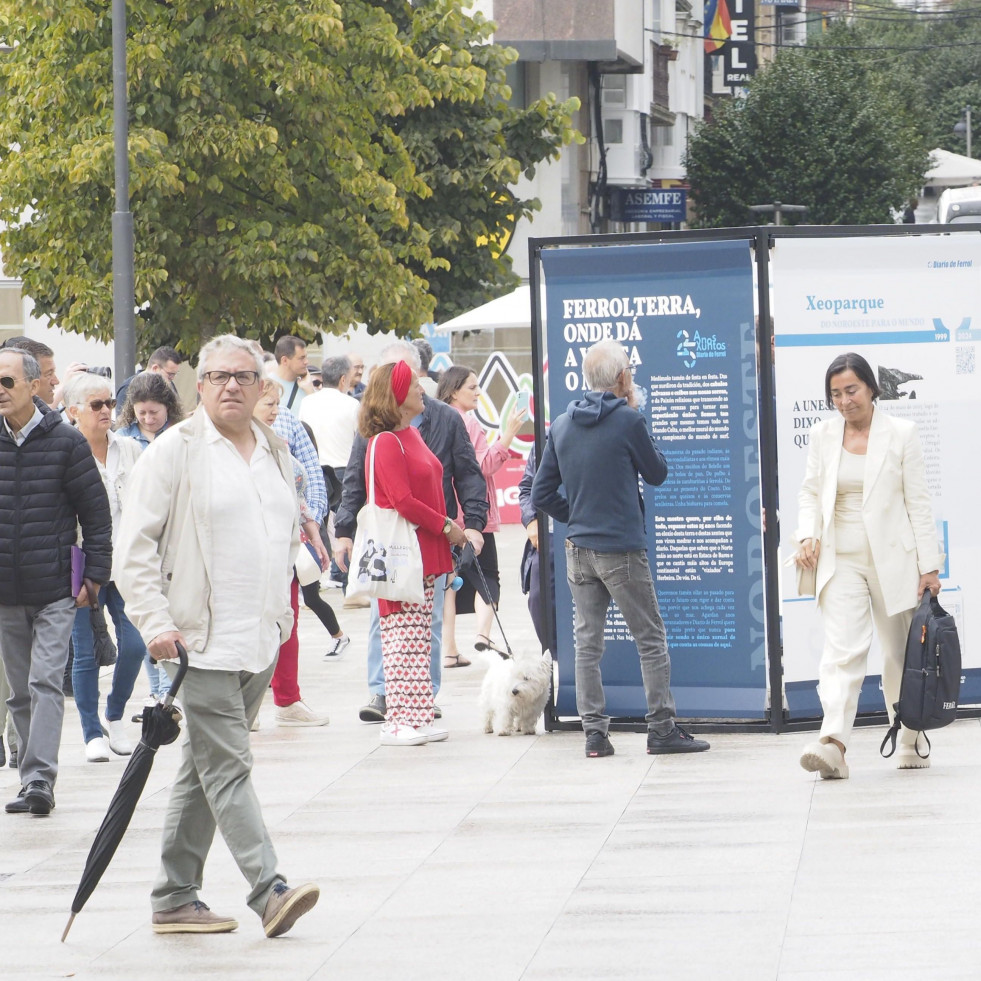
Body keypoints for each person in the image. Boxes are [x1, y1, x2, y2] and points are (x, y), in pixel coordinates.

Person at [115, 334, 320, 936]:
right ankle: (270, 889)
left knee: (201, 771)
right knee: (228, 766)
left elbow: (285, 533)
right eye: (217, 376)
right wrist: (154, 622)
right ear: (197, 386)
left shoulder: (276, 449)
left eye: (243, 375)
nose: (232, 385)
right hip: (196, 644)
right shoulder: (174, 453)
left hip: (260, 638)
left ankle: (174, 895)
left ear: (262, 385)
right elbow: (134, 547)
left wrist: (286, 612)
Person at [532, 340, 710, 760]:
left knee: (587, 644)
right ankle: (661, 729)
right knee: (650, 638)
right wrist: (636, 416)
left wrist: (573, 514)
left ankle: (595, 735)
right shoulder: (629, 421)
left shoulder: (560, 425)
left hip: (578, 549)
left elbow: (540, 493)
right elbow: (658, 473)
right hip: (622, 550)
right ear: (623, 378)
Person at [794, 352, 943, 780]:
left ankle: (911, 735)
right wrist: (808, 534)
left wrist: (929, 567)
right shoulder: (823, 434)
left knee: (899, 652)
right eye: (835, 394)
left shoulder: (901, 433)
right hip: (840, 558)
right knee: (842, 649)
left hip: (894, 560)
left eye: (851, 390)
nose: (843, 401)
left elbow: (918, 501)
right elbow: (809, 493)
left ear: (872, 389)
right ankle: (834, 744)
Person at [334, 341, 488, 724]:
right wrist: (344, 527)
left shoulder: (442, 421)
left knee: (426, 623)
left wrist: (474, 523)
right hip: (398, 544)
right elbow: (360, 479)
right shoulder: (379, 434)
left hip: (431, 544)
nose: (419, 388)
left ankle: (421, 697)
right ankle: (386, 694)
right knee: (389, 621)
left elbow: (468, 473)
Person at [0, 347, 112, 815]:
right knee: (19, 690)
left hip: (54, 590)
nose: (0, 391)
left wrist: (96, 577)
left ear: (32, 385)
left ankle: (40, 779)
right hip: (5, 592)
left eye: (7, 382)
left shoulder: (66, 442)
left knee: (46, 680)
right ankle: (31, 776)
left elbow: (97, 516)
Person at [358, 360, 467, 744]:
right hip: (405, 553)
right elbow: (402, 500)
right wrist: (447, 526)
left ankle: (417, 715)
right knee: (402, 638)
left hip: (426, 553)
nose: (423, 389)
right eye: (415, 386)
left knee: (421, 637)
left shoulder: (411, 435)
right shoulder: (386, 441)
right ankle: (398, 720)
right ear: (397, 395)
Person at [63, 373, 147, 762]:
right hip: (83, 562)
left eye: (110, 403)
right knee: (85, 653)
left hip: (126, 561)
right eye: (96, 405)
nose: (106, 411)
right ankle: (90, 732)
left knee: (136, 644)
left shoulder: (129, 450)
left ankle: (115, 714)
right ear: (73, 411)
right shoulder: (65, 449)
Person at [253, 378, 332, 726]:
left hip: (284, 549)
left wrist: (313, 532)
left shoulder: (278, 443)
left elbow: (296, 493)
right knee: (251, 626)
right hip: (248, 551)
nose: (275, 411)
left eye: (276, 404)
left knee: (287, 623)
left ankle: (287, 699)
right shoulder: (228, 446)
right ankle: (247, 704)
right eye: (268, 403)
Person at [437, 365, 526, 666]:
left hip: (447, 513)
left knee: (449, 582)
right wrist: (508, 437)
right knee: (488, 576)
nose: (478, 392)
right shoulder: (467, 423)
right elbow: (481, 467)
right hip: (474, 515)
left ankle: (448, 650)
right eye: (472, 388)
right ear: (453, 391)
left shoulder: (436, 420)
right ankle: (483, 635)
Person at [115, 371, 185, 709]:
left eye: (154, 412)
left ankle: (172, 684)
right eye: (141, 413)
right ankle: (157, 689)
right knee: (147, 613)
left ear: (167, 407)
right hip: (141, 531)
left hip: (176, 535)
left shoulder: (181, 437)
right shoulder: (124, 440)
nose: (147, 418)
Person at [299, 354, 360, 513]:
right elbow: (360, 440)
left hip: (315, 472)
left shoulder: (307, 402)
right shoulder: (352, 404)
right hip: (345, 473)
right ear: (343, 379)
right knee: (344, 528)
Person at [115, 370, 183, 449]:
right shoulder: (121, 438)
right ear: (132, 408)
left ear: (167, 405)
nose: (148, 420)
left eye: (154, 412)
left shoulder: (182, 434)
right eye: (142, 413)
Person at [115, 345, 182, 409]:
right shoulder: (126, 388)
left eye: (174, 374)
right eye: (170, 374)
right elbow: (123, 420)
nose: (172, 378)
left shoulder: (169, 384)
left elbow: (176, 414)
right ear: (155, 368)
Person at [273, 336, 310, 412]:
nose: (306, 362)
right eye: (301, 358)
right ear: (285, 360)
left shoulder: (307, 386)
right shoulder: (265, 384)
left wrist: (310, 391)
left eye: (306, 357)